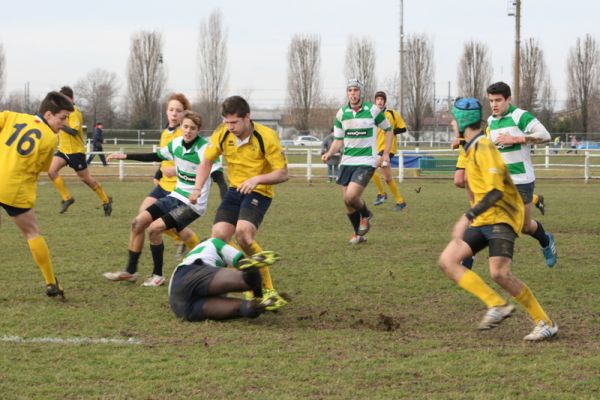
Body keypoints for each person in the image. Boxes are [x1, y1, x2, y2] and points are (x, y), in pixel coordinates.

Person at [438, 97, 558, 341]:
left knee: (500, 274)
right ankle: (496, 304)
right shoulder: (470, 147)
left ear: (461, 121)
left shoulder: (483, 147)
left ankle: (545, 322)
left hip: (502, 218)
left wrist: (466, 217)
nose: (451, 123)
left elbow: (495, 191)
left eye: (453, 119)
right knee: (448, 260)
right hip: (484, 219)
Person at [189, 95, 289, 310]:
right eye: (226, 121)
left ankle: (268, 288)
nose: (230, 127)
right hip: (235, 190)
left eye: (234, 122)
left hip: (259, 191)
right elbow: (206, 161)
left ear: (247, 117)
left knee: (243, 234)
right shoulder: (223, 133)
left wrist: (257, 179)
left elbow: (282, 173)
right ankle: (244, 280)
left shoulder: (266, 136)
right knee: (219, 238)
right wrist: (197, 187)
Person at [103, 111, 211, 287]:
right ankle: (130, 272)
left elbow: (214, 173)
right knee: (138, 222)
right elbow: (154, 156)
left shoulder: (205, 149)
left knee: (154, 229)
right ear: (181, 127)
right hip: (175, 195)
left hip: (193, 204)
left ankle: (158, 275)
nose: (188, 131)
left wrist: (201, 191)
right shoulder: (176, 144)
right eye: (185, 126)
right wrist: (126, 156)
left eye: (193, 128)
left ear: (198, 130)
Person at [0, 91, 74, 298]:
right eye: (62, 118)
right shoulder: (51, 138)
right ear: (48, 115)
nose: (65, 123)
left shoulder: (12, 116)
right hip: (16, 190)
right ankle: (51, 282)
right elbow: (43, 167)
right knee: (32, 232)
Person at [486, 82, 557, 267]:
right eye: (491, 100)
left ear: (508, 99)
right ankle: (476, 259)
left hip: (522, 180)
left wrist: (516, 139)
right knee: (494, 220)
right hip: (500, 182)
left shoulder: (520, 116)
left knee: (525, 226)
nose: (494, 104)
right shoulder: (490, 121)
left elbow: (545, 135)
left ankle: (546, 240)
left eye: (498, 100)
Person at [132, 93, 202, 264]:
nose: (174, 113)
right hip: (163, 184)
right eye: (171, 109)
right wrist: (158, 173)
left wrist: (176, 170)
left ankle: (201, 252)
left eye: (178, 111)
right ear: (166, 111)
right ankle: (132, 268)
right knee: (142, 217)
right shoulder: (166, 133)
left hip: (177, 188)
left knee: (173, 227)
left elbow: (195, 165)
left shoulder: (184, 132)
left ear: (184, 114)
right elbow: (163, 155)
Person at [322, 79, 393, 245]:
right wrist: (329, 152)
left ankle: (366, 214)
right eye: (350, 90)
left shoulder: (373, 110)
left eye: (355, 90)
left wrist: (386, 154)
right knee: (347, 202)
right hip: (347, 161)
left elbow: (388, 129)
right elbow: (338, 140)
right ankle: (358, 235)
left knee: (352, 196)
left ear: (360, 92)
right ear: (347, 93)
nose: (353, 93)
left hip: (366, 160)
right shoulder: (341, 114)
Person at [169, 237, 281, 321]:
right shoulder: (214, 242)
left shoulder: (191, 254)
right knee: (247, 278)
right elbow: (241, 261)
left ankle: (253, 307)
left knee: (241, 308)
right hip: (192, 273)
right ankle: (257, 296)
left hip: (180, 305)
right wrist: (258, 294)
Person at [47, 86, 113, 216]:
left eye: (63, 98)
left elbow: (74, 131)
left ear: (69, 98)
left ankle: (106, 200)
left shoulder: (74, 112)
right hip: (63, 150)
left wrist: (61, 125)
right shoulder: (63, 112)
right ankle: (67, 198)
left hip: (76, 152)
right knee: (51, 171)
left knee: (86, 178)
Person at [371, 91, 408, 210]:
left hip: (388, 148)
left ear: (385, 102)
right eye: (378, 99)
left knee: (370, 168)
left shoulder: (392, 114)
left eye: (382, 99)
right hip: (376, 149)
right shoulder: (372, 115)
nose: (380, 101)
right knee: (387, 178)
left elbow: (403, 128)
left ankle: (382, 194)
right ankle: (400, 201)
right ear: (375, 101)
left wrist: (390, 132)